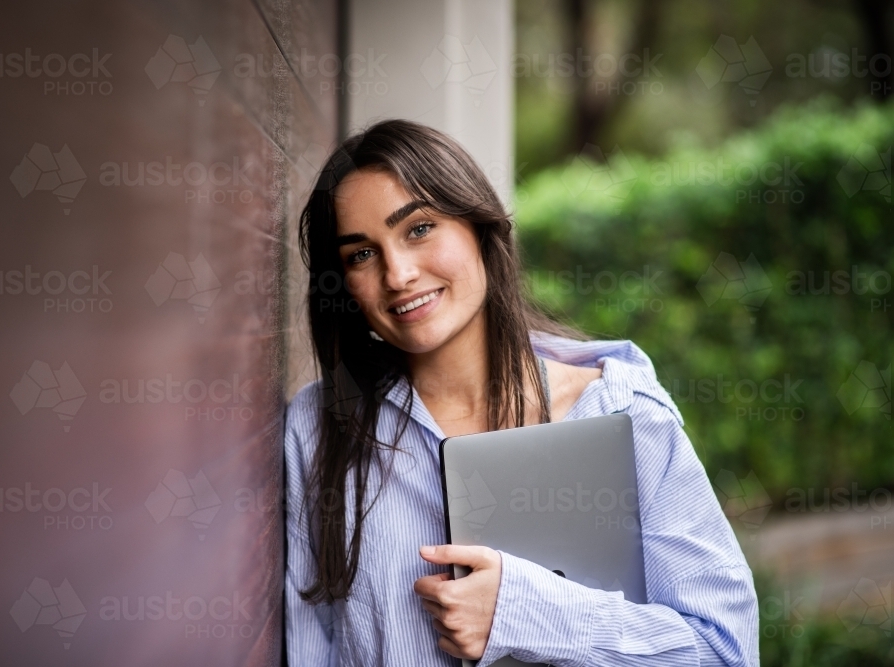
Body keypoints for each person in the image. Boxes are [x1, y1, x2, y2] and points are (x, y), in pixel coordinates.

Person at [284, 119, 759, 666]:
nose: (398, 273)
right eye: (361, 255)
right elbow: (310, 646)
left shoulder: (620, 413)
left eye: (418, 228)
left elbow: (725, 651)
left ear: (479, 227)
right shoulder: (321, 430)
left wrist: (526, 611)